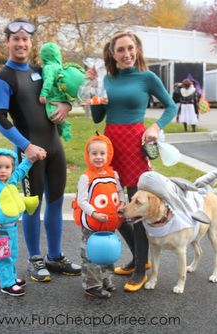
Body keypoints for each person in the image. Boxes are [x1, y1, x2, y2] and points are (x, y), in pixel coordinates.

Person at [0, 18, 81, 283]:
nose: (21, 43)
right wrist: (26, 146)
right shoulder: (2, 79)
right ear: (7, 42)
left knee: (55, 202)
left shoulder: (42, 71)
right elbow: (0, 119)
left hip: (55, 148)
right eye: (15, 39)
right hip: (29, 153)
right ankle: (35, 260)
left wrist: (66, 105)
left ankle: (55, 256)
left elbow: (63, 94)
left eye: (25, 39)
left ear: (31, 43)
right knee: (32, 206)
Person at [87, 30, 178, 292]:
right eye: (121, 50)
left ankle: (140, 269)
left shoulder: (147, 77)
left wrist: (156, 127)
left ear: (136, 49)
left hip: (136, 143)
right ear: (112, 54)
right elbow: (96, 117)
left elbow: (171, 106)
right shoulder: (107, 79)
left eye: (130, 48)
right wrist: (93, 87)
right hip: (110, 144)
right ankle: (139, 258)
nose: (126, 54)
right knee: (112, 204)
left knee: (135, 206)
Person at [72, 133, 125, 298]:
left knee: (107, 253)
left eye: (102, 153)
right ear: (87, 155)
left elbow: (119, 192)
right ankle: (92, 285)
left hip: (109, 223)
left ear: (108, 154)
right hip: (92, 224)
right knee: (91, 254)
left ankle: (105, 279)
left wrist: (122, 203)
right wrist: (94, 214)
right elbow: (81, 201)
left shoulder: (113, 175)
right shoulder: (86, 177)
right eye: (94, 153)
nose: (98, 157)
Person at [0, 148, 39, 296]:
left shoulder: (11, 180)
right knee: (3, 257)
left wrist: (29, 160)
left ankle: (11, 278)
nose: (3, 170)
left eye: (7, 167)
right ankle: (7, 284)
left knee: (12, 254)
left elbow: (21, 171)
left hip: (11, 228)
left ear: (12, 168)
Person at [39, 42, 85, 141]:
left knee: (52, 113)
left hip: (53, 96)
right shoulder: (60, 67)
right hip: (61, 94)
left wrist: (44, 93)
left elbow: (48, 80)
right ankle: (59, 132)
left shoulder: (48, 67)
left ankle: (65, 125)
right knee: (56, 114)